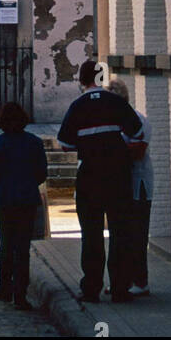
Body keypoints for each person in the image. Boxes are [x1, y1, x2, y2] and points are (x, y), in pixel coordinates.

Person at [57, 59, 144, 305]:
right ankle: (119, 288)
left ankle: (91, 288)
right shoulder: (117, 103)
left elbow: (66, 143)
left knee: (91, 233)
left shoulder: (77, 106)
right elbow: (136, 131)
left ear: (82, 80)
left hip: (90, 176)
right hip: (118, 174)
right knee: (120, 232)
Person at [0, 103, 47, 311]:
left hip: (5, 199)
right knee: (22, 248)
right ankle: (20, 293)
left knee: (6, 246)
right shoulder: (35, 143)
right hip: (27, 199)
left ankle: (5, 287)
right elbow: (42, 173)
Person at [109, 78, 153, 297]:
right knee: (122, 235)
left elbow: (137, 152)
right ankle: (123, 280)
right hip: (119, 184)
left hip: (138, 183)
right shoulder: (113, 121)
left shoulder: (137, 119)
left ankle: (140, 280)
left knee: (137, 232)